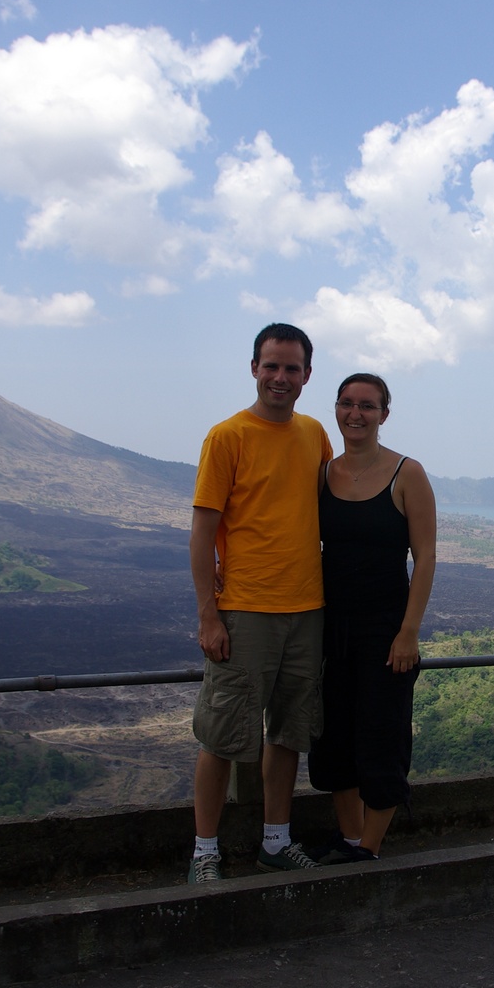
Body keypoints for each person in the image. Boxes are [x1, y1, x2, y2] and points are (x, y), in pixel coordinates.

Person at [187, 323, 334, 882]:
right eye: (271, 366)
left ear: (306, 376)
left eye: (291, 368)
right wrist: (209, 613)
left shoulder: (314, 433)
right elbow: (203, 532)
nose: (280, 377)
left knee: (288, 732)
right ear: (254, 368)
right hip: (245, 609)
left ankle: (276, 839)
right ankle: (204, 849)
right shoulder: (228, 437)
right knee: (222, 735)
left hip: (307, 608)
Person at [308, 372, 436, 863]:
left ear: (385, 413)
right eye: (346, 404)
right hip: (330, 627)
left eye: (367, 405)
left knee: (382, 733)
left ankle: (370, 847)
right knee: (333, 735)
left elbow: (424, 557)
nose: (355, 414)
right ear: (336, 409)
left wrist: (408, 633)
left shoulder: (408, 474)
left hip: (386, 629)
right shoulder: (323, 474)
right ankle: (349, 836)